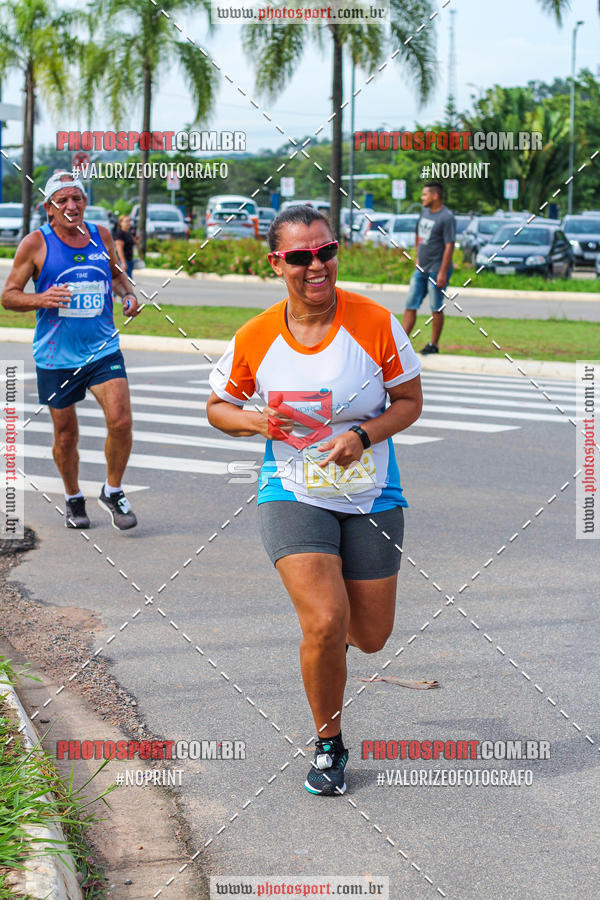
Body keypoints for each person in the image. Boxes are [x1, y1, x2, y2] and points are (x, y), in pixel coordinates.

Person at [207, 206, 423, 796]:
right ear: (277, 262)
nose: (316, 266)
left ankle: (329, 648)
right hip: (292, 490)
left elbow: (409, 401)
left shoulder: (376, 322)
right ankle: (329, 744)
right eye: (300, 257)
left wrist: (360, 436)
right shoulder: (255, 334)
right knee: (326, 622)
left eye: (325, 252)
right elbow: (218, 407)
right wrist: (258, 422)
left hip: (373, 492)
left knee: (370, 634)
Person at [1, 171, 141, 531]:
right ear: (49, 208)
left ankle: (113, 490)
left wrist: (127, 292)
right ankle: (73, 496)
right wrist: (40, 298)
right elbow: (8, 296)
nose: (71, 206)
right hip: (56, 355)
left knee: (121, 420)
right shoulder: (35, 244)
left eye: (77, 198)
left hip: (102, 348)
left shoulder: (101, 234)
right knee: (66, 433)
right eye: (62, 200)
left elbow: (114, 272)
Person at [402, 181, 455, 355]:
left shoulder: (446, 217)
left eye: (425, 195)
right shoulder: (424, 212)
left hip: (437, 269)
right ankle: (401, 343)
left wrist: (442, 272)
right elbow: (418, 233)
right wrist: (418, 255)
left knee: (436, 306)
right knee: (410, 303)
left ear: (435, 196)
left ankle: (434, 345)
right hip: (421, 268)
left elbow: (449, 245)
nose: (421, 198)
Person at [114, 213, 138, 279]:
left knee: (128, 282)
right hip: (123, 261)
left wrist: (136, 241)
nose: (129, 223)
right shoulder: (120, 233)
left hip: (129, 260)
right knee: (126, 282)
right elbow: (119, 249)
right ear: (121, 223)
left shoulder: (128, 233)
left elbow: (132, 244)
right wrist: (123, 263)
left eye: (129, 221)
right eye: (126, 221)